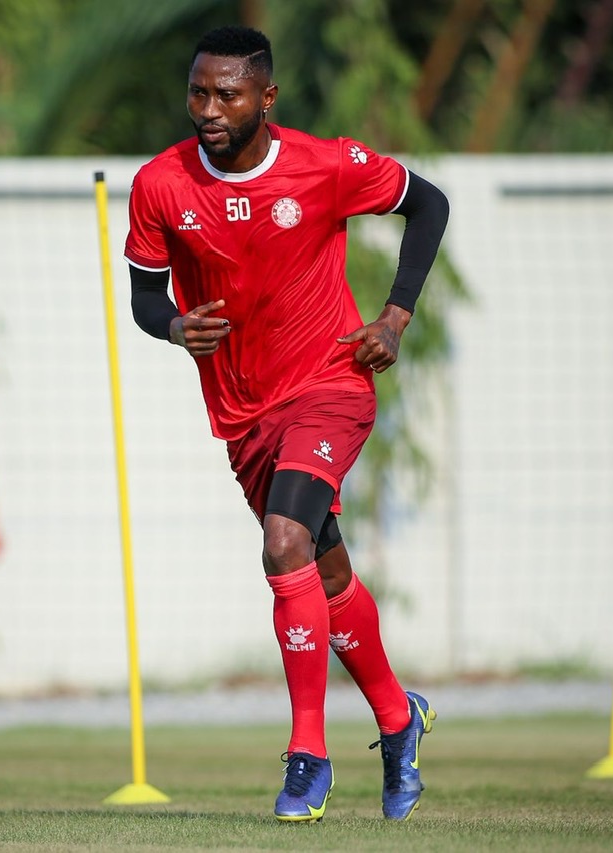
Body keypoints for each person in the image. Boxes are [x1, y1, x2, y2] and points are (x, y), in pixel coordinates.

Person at [126, 26, 450, 822]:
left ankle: (308, 756)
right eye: (198, 92)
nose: (208, 108)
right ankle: (399, 717)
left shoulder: (326, 164)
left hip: (332, 384)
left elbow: (429, 204)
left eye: (227, 94)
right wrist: (174, 327)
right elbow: (145, 298)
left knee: (282, 542)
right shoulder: (160, 184)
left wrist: (395, 318)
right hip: (244, 413)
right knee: (321, 574)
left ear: (266, 98)